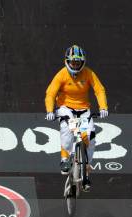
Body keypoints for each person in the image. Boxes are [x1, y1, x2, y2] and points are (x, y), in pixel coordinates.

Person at [45, 45, 108, 191]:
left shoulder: (88, 74)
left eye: (78, 62)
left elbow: (99, 90)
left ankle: (86, 169)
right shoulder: (61, 74)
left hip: (84, 110)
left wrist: (103, 107)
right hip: (66, 109)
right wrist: (50, 111)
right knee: (67, 130)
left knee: (90, 138)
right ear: (67, 61)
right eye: (73, 62)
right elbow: (50, 93)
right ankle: (64, 160)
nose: (75, 65)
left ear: (83, 62)